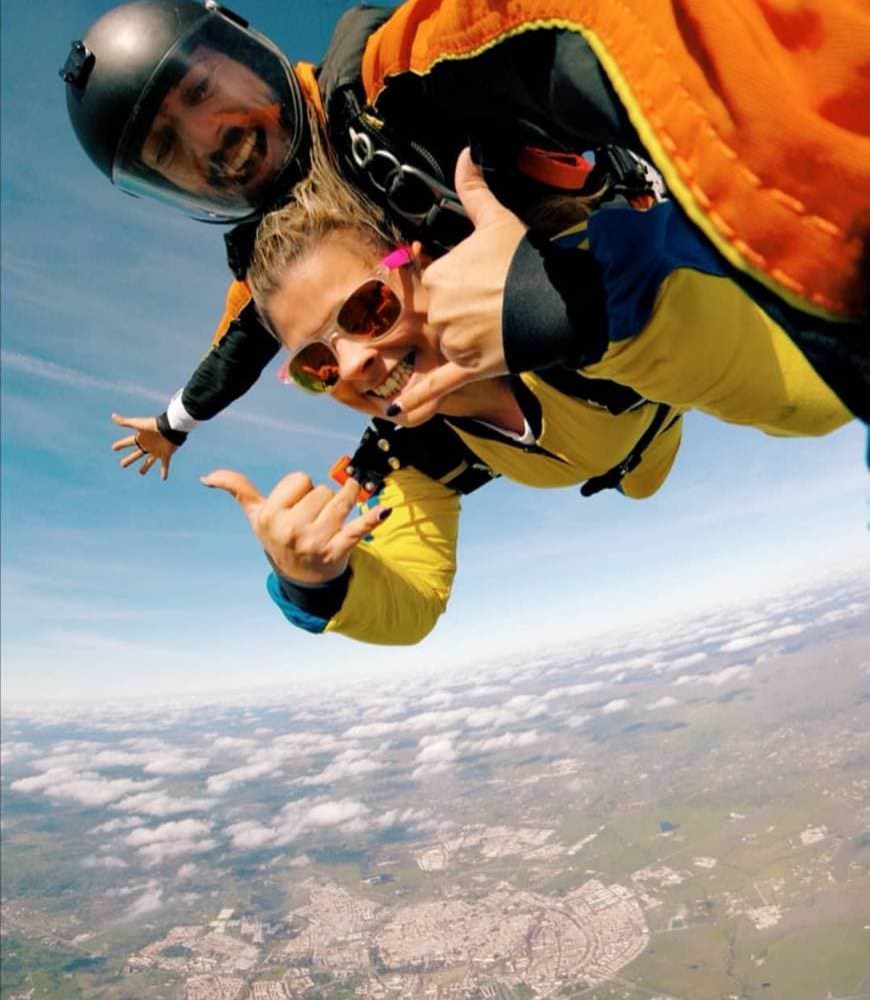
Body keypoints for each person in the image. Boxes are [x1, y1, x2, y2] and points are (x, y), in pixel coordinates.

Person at [61, 0, 869, 479]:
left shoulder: (388, 87)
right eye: (171, 151)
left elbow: (556, 9)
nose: (216, 140)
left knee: (808, 400)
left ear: (246, 49)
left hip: (661, 276)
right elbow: (243, 345)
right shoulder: (277, 264)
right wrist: (174, 423)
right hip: (597, 406)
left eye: (207, 90)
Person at [200, 131, 851, 647]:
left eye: (367, 308)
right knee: (642, 478)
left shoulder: (561, 281)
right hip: (631, 463)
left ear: (419, 262)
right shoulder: (409, 453)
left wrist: (582, 309)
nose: (356, 362)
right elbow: (414, 600)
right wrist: (317, 582)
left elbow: (812, 391)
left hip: (661, 409)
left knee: (762, 422)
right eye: (317, 363)